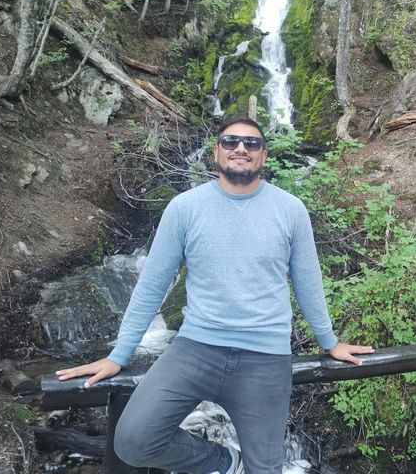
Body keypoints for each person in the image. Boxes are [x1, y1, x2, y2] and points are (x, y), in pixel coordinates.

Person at [56, 116, 374, 474]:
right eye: (230, 141)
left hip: (265, 358)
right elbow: (152, 285)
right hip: (195, 349)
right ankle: (224, 462)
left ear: (264, 155)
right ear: (216, 152)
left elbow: (308, 282)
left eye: (251, 143)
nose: (241, 148)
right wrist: (120, 354)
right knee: (134, 440)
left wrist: (330, 342)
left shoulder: (290, 210)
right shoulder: (184, 208)